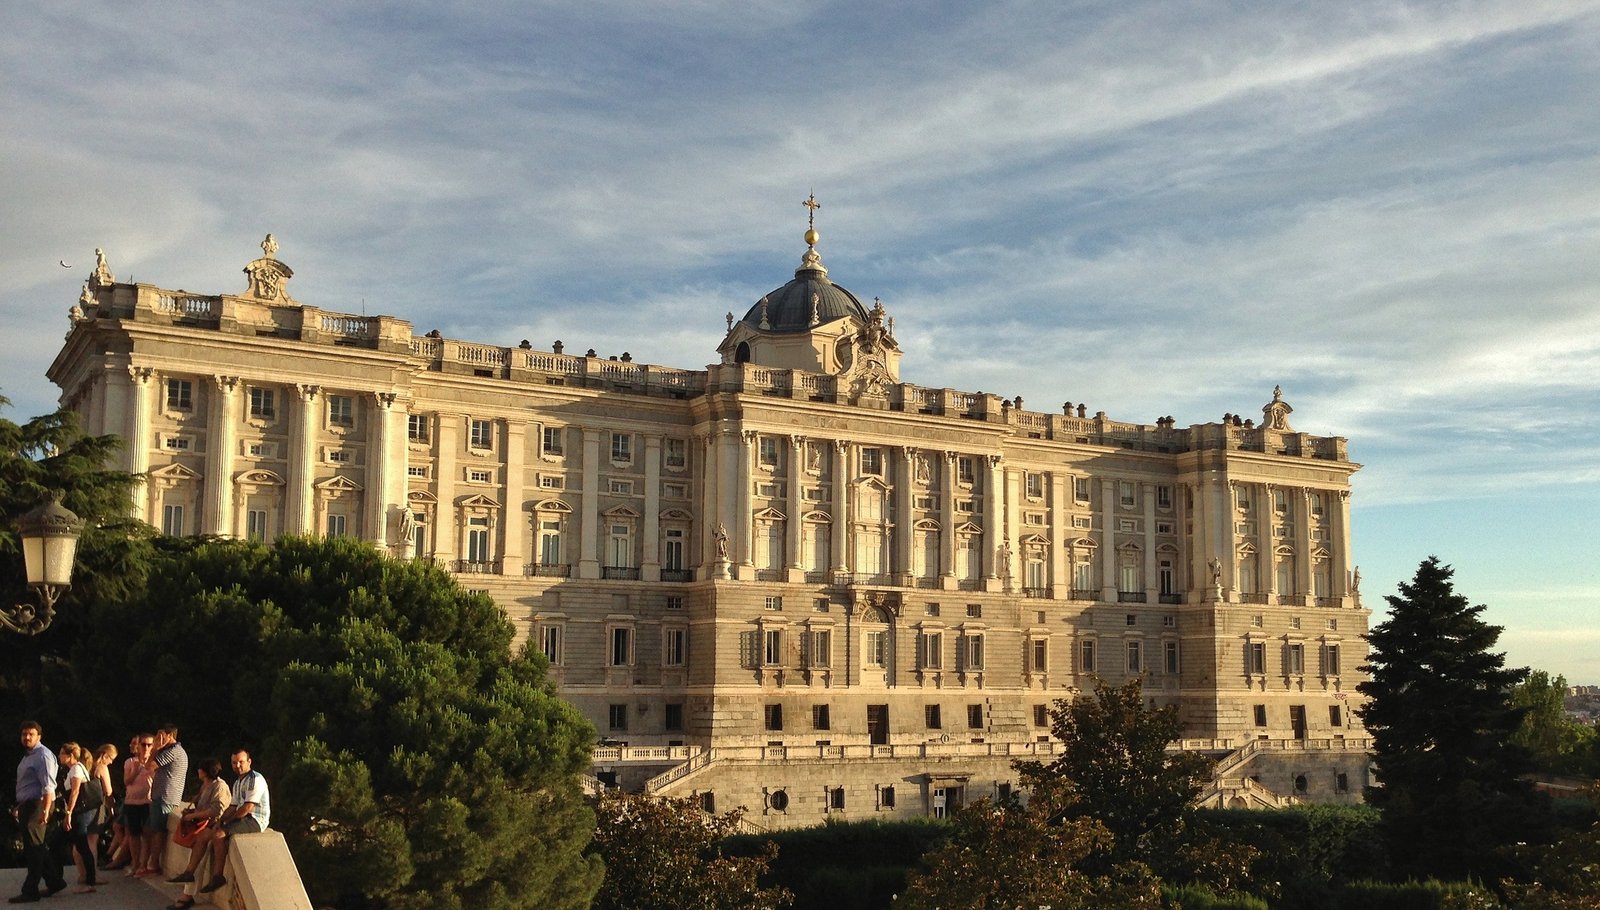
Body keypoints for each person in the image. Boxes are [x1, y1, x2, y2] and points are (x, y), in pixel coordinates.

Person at [199, 750, 270, 895]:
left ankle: (218, 876)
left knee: (219, 834)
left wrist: (227, 823)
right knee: (213, 831)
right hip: (244, 817)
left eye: (241, 762)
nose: (237, 765)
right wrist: (221, 820)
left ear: (249, 762)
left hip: (256, 819)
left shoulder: (255, 779)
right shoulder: (238, 782)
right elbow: (232, 807)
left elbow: (247, 808)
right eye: (234, 762)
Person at [11, 721, 66, 903]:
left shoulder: (43, 756)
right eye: (24, 734)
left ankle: (30, 890)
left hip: (39, 805)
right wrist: (20, 806)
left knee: (34, 849)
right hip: (29, 805)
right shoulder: (28, 756)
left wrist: (45, 810)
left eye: (31, 734)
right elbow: (29, 786)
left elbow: (48, 786)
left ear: (39, 736)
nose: (27, 737)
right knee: (37, 846)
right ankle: (54, 881)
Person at [166, 759, 232, 908]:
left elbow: (217, 810)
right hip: (203, 828)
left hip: (211, 827)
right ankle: (186, 894)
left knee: (198, 861)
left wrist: (194, 816)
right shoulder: (206, 785)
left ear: (204, 771)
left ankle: (186, 897)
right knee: (195, 860)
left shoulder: (220, 786)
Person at [142, 724, 188, 876]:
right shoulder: (169, 750)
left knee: (157, 831)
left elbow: (149, 766)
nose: (156, 739)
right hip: (160, 796)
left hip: (166, 798)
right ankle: (147, 863)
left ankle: (154, 864)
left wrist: (154, 748)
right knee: (149, 829)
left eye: (159, 736)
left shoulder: (173, 751)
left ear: (169, 735)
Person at [58, 743, 101, 892]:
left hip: (79, 812)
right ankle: (88, 879)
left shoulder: (76, 768)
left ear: (70, 756)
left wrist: (68, 813)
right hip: (80, 812)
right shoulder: (76, 768)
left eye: (62, 753)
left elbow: (75, 792)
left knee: (82, 845)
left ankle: (90, 882)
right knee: (78, 845)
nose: (59, 756)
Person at [121, 733, 156, 875]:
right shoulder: (130, 762)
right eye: (143, 744)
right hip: (131, 802)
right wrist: (136, 770)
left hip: (147, 802)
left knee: (147, 834)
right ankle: (135, 864)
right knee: (133, 834)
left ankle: (143, 864)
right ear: (139, 746)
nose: (146, 748)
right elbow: (126, 781)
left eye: (149, 745)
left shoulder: (155, 763)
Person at [86, 745, 117, 874]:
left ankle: (84, 871)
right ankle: (92, 871)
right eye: (111, 758)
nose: (111, 762)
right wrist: (112, 808)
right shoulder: (102, 767)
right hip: (97, 806)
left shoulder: (87, 765)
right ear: (104, 755)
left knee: (83, 840)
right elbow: (108, 790)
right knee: (93, 840)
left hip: (84, 805)